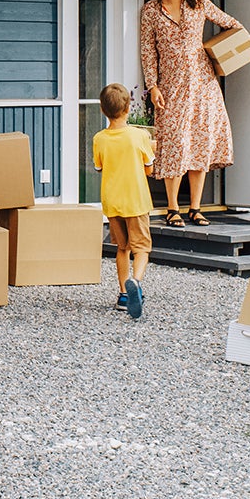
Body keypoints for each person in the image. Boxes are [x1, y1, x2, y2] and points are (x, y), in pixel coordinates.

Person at [138, 0, 250, 229]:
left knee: (199, 144)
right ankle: (172, 209)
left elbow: (232, 23)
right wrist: (153, 86)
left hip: (203, 85)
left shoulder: (199, 3)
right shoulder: (151, 10)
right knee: (174, 145)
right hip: (171, 86)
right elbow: (148, 50)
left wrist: (249, 49)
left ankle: (195, 208)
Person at [92, 82, 156, 321]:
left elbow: (99, 167)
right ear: (128, 108)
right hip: (136, 201)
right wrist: (151, 150)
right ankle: (136, 282)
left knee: (122, 248)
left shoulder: (99, 139)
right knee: (142, 248)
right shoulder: (140, 136)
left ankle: (123, 295)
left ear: (102, 110)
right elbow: (149, 170)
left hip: (113, 202)